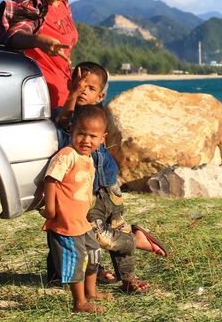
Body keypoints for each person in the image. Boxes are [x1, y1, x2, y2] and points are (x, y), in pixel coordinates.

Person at [51, 61, 168, 294]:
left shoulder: (100, 115)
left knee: (117, 228)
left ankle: (128, 280)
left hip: (109, 187)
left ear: (101, 94)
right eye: (79, 85)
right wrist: (72, 95)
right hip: (86, 194)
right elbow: (63, 122)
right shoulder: (69, 116)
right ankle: (135, 240)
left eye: (90, 88)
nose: (83, 90)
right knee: (91, 235)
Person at [39, 105, 111, 313]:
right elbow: (51, 179)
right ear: (71, 130)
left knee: (94, 254)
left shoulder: (88, 158)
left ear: (102, 138)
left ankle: (91, 292)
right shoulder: (67, 155)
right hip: (66, 223)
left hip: (83, 221)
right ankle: (79, 302)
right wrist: (51, 210)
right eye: (81, 133)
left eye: (93, 136)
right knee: (76, 260)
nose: (86, 140)